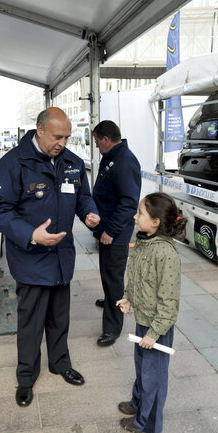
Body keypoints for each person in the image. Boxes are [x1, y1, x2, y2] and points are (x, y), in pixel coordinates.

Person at [0, 107, 100, 407]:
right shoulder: (14, 163)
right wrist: (30, 234)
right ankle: (25, 378)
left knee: (60, 318)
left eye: (67, 137)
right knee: (31, 323)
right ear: (39, 129)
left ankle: (60, 363)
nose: (62, 143)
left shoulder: (72, 163)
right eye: (56, 136)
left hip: (61, 257)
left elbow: (83, 196)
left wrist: (89, 212)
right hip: (31, 259)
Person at [116, 192, 187, 433]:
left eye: (140, 213)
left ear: (155, 222)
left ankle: (147, 422)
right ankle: (138, 403)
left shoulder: (166, 254)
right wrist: (128, 298)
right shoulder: (143, 242)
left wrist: (154, 333)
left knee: (153, 376)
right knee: (142, 369)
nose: (135, 217)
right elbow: (136, 275)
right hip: (143, 321)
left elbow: (169, 303)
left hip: (157, 329)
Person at [92, 120, 141, 347]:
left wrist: (110, 231)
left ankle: (113, 327)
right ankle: (112, 300)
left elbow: (129, 203)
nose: (96, 146)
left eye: (96, 142)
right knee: (107, 274)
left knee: (114, 280)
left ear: (105, 139)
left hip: (116, 233)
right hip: (106, 230)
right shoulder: (112, 156)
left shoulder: (124, 161)